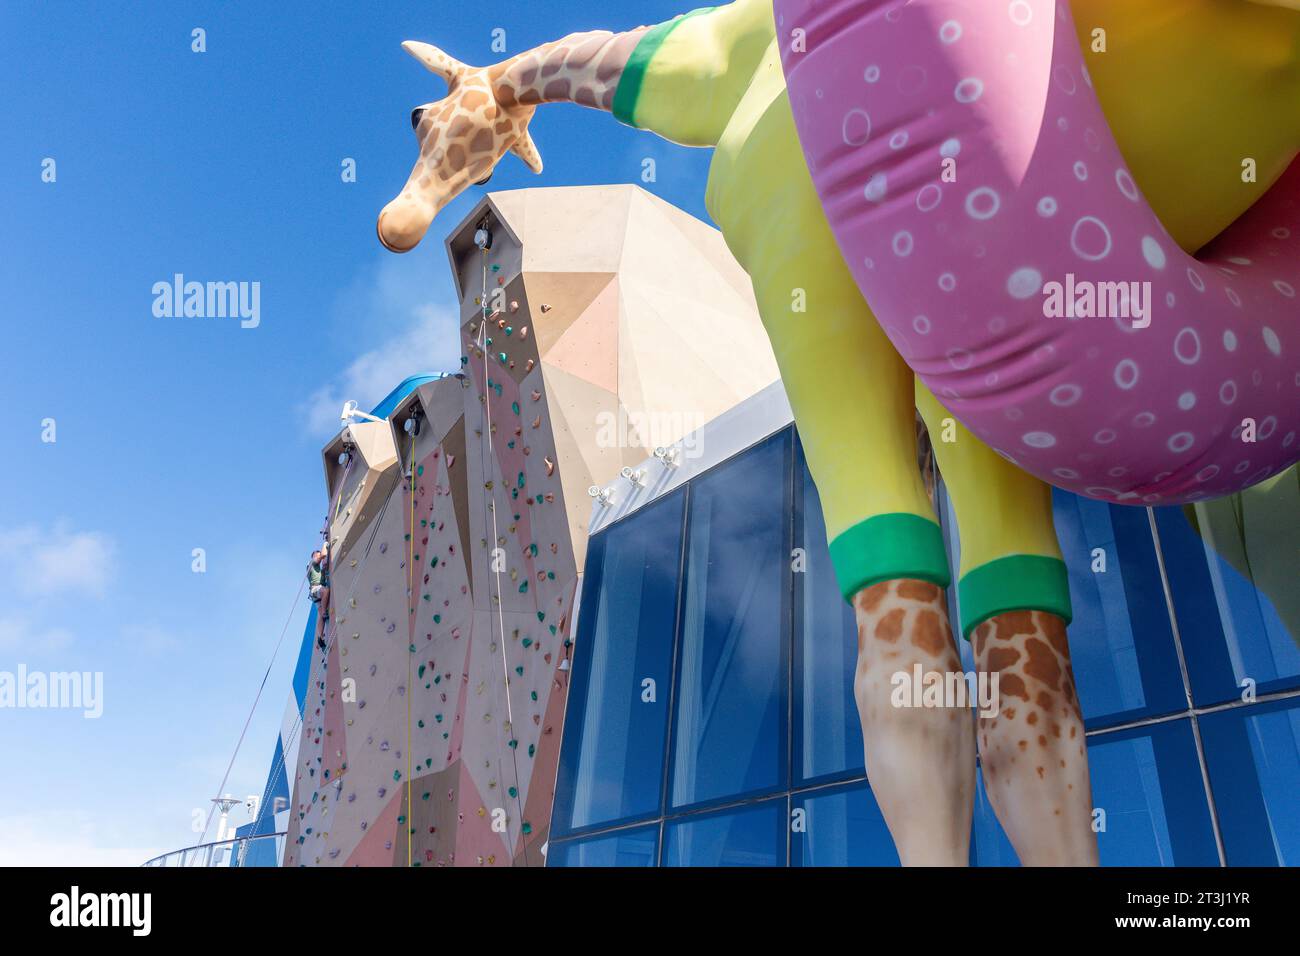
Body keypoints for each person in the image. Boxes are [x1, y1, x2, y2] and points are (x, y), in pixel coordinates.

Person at [307, 542, 330, 651]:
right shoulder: (312, 563)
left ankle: (320, 638)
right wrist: (325, 544)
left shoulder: (318, 570)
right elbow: (324, 555)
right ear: (315, 555)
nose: (319, 556)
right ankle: (325, 612)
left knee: (321, 617)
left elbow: (324, 565)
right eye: (318, 554)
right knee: (325, 591)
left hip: (315, 595)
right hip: (316, 589)